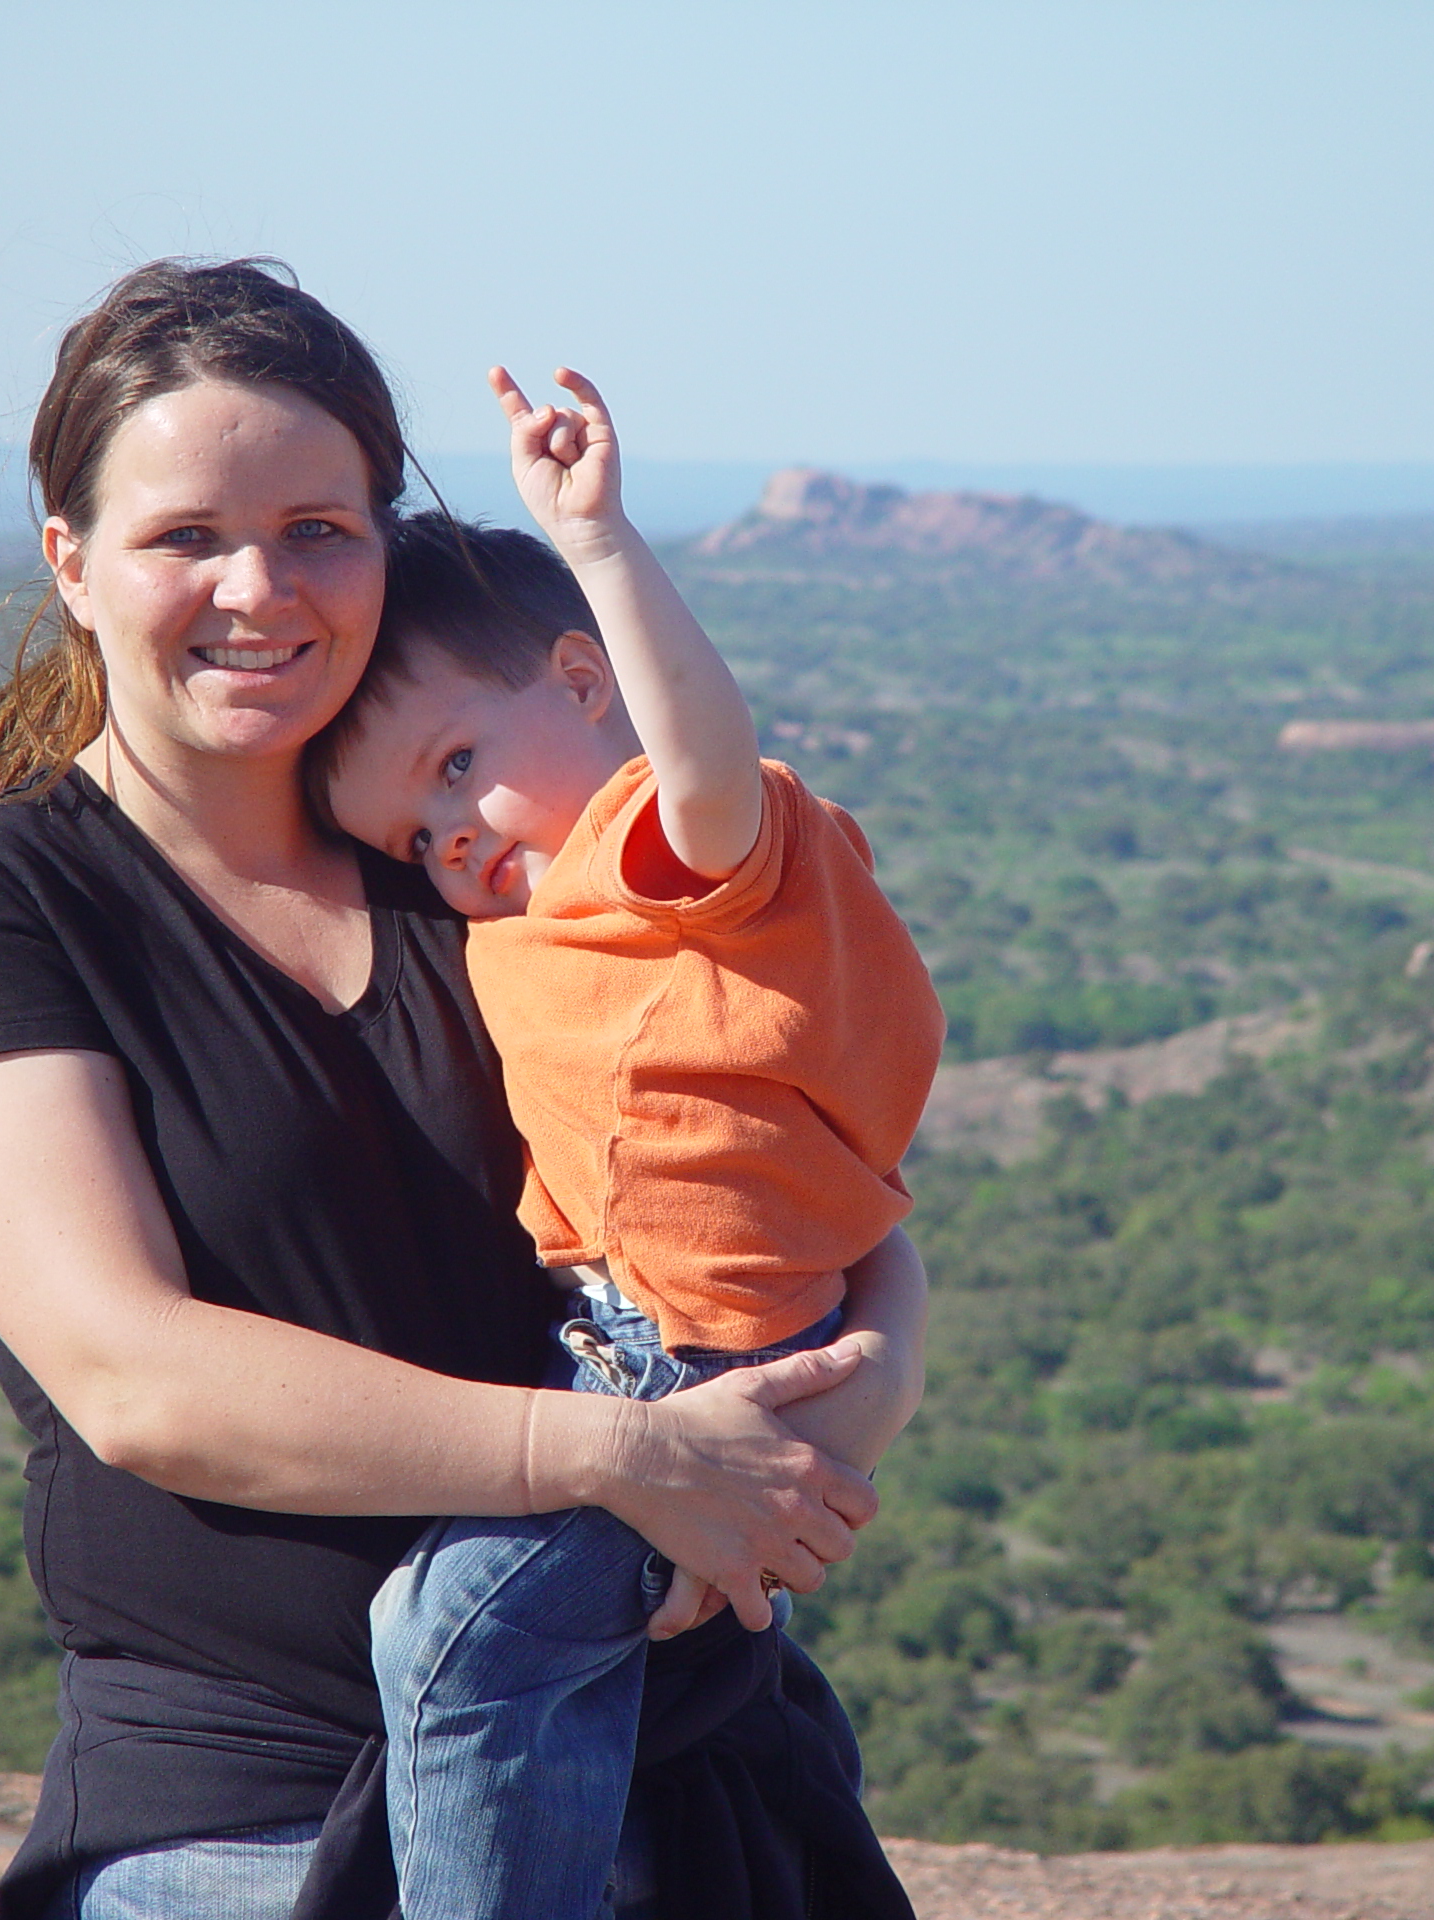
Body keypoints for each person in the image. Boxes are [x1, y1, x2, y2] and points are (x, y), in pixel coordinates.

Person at [0, 258, 928, 1920]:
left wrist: (837, 1413)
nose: (259, 588)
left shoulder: (491, 861)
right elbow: (133, 1378)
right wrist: (615, 1462)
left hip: (675, 1761)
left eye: (316, 529)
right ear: (72, 565)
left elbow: (793, 1139)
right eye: (185, 538)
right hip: (244, 1813)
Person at [317, 371, 945, 1920]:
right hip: (630, 1354)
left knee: (457, 1633)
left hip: (700, 1365)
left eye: (459, 763)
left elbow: (709, 766)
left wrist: (597, 540)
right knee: (502, 1631)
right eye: (416, 835)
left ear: (587, 683)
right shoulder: (548, 909)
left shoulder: (659, 856)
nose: (455, 837)